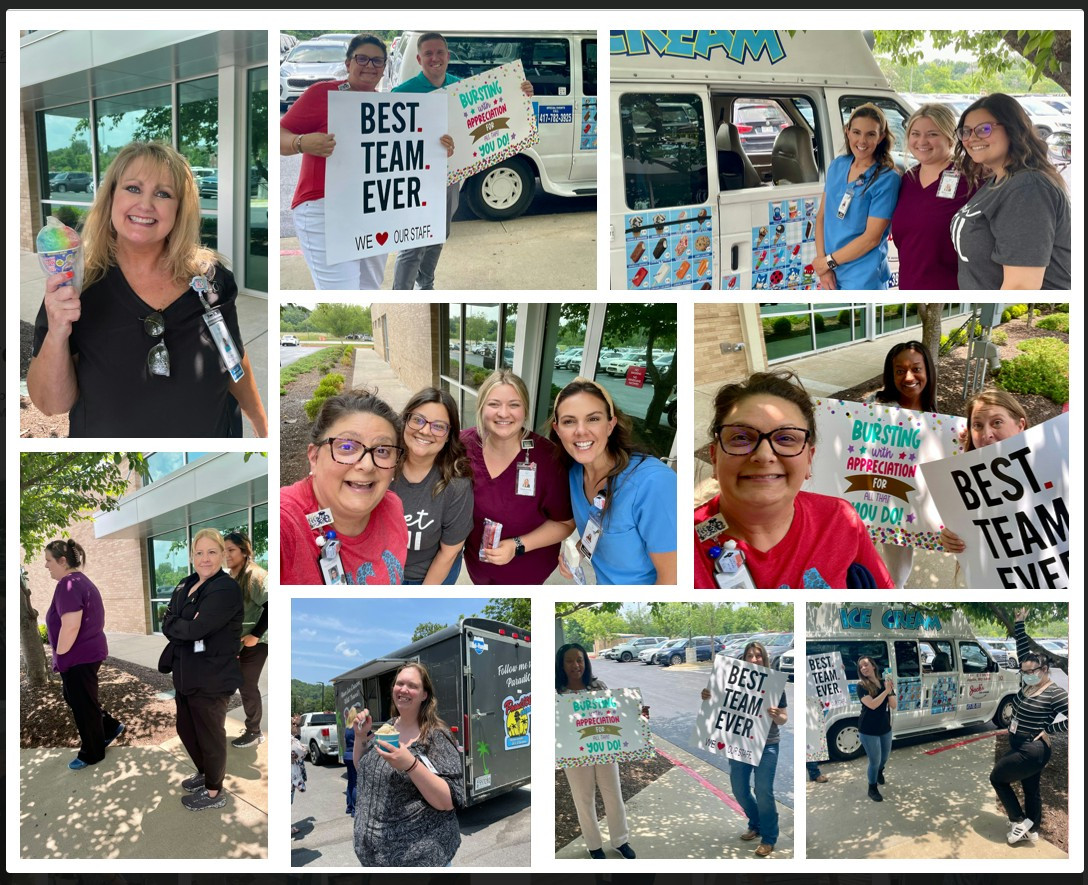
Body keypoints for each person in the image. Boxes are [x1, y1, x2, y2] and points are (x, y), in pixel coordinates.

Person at [28, 141, 267, 438]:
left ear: (179, 209)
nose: (145, 204)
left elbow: (233, 355)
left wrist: (261, 424)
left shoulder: (212, 279)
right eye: (132, 188)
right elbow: (51, 404)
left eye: (163, 193)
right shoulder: (76, 284)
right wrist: (58, 332)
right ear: (111, 196)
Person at [694, 370, 894, 589]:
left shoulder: (840, 519)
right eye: (741, 437)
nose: (763, 455)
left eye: (786, 438)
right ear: (714, 457)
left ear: (809, 459)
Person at [391, 32, 533, 290]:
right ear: (419, 58)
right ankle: (401, 292)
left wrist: (519, 92)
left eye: (440, 52)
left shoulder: (462, 87)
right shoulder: (402, 92)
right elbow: (390, 141)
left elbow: (495, 108)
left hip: (449, 177)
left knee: (438, 236)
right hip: (414, 179)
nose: (435, 58)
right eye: (428, 53)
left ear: (448, 55)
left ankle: (427, 285)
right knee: (413, 243)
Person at [280, 33, 389, 289]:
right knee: (341, 290)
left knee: (369, 288)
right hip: (323, 206)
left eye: (377, 61)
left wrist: (439, 146)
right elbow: (279, 134)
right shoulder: (322, 94)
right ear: (348, 63)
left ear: (385, 68)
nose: (369, 66)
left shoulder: (388, 105)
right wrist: (302, 142)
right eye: (362, 58)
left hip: (373, 207)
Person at [549, 377, 677, 584]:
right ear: (557, 430)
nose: (581, 431)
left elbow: (673, 580)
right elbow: (599, 524)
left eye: (593, 419)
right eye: (569, 421)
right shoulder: (573, 473)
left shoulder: (655, 484)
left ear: (610, 425)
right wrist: (580, 551)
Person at [281, 390, 409, 585]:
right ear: (314, 457)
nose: (367, 465)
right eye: (347, 447)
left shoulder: (392, 506)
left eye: (382, 450)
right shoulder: (284, 521)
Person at [462, 369, 574, 584]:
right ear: (481, 407)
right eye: (494, 404)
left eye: (514, 405)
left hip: (527, 570)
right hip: (477, 565)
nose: (504, 413)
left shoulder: (548, 458)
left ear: (525, 410)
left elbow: (566, 523)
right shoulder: (462, 446)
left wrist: (517, 545)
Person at [159, 529, 243, 811]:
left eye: (211, 552)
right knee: (186, 729)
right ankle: (205, 773)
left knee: (210, 735)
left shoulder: (225, 588)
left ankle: (214, 792)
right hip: (184, 672)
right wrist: (180, 623)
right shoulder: (186, 583)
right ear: (192, 555)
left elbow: (197, 628)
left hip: (211, 676)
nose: (204, 559)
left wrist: (180, 624)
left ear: (222, 554)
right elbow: (168, 621)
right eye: (199, 552)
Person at [951, 93, 1071, 289]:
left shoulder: (1028, 188)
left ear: (1013, 130)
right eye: (965, 131)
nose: (972, 138)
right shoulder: (998, 181)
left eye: (984, 129)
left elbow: (1021, 287)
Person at [350, 663, 464, 866]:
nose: (403, 689)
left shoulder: (435, 736)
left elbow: (449, 801)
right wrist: (360, 737)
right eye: (399, 683)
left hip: (419, 860)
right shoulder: (388, 727)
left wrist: (411, 765)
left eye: (412, 685)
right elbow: (363, 769)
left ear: (424, 695)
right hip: (375, 858)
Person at [990, 608, 1069, 844]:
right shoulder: (1029, 684)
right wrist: (1019, 624)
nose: (1026, 675)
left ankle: (1018, 820)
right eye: (1023, 672)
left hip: (1032, 749)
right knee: (1031, 788)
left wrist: (1050, 730)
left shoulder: (1055, 692)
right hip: (1019, 743)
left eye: (1031, 671)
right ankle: (1032, 827)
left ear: (1044, 670)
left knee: (997, 778)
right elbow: (1023, 651)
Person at [43, 539, 123, 770]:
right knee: (77, 698)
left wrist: (58, 655)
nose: (46, 566)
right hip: (86, 654)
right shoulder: (80, 581)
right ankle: (109, 726)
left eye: (48, 561)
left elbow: (70, 626)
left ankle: (92, 753)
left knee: (83, 706)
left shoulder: (68, 585)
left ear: (62, 561)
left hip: (78, 657)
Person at [702, 641, 787, 857]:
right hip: (739, 744)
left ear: (764, 658)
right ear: (744, 658)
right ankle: (756, 823)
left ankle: (769, 837)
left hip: (767, 745)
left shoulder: (773, 684)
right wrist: (708, 697)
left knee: (763, 791)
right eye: (750, 655)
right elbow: (718, 705)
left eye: (758, 655)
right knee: (739, 789)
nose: (755, 659)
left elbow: (784, 718)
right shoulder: (733, 683)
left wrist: (777, 714)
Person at [867, 341, 939, 587]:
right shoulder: (875, 405)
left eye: (916, 369)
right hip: (866, 496)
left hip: (902, 507)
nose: (909, 377)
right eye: (900, 371)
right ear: (891, 374)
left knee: (897, 575)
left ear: (928, 371)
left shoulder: (934, 417)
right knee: (855, 558)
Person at [556, 644, 637, 859]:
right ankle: (594, 846)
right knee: (583, 799)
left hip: (604, 748)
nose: (576, 665)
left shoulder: (598, 685)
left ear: (586, 662)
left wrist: (638, 713)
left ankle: (621, 841)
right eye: (570, 661)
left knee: (614, 795)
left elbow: (616, 713)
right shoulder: (556, 693)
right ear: (561, 665)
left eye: (580, 660)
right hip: (574, 753)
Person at [389, 388, 474, 584]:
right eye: (418, 420)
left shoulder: (456, 485)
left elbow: (448, 554)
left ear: (448, 435)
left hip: (427, 577)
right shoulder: (382, 467)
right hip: (380, 572)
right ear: (405, 421)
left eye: (438, 426)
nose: (425, 430)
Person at [812, 103, 901, 290]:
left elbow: (871, 238)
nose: (862, 140)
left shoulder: (887, 179)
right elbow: (821, 217)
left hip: (863, 277)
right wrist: (824, 265)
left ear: (881, 137)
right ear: (847, 132)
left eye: (871, 134)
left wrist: (828, 263)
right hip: (832, 271)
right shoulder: (837, 165)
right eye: (856, 132)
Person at [891, 103, 975, 289]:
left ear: (950, 138)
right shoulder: (907, 180)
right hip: (909, 285)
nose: (922, 141)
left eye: (932, 134)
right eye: (916, 134)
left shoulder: (970, 181)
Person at [939, 390, 1031, 558]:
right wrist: (951, 538)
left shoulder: (1054, 471)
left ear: (1020, 425)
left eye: (997, 422)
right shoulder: (965, 484)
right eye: (978, 425)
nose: (986, 434)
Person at [224, 531, 267, 748]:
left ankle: (254, 731)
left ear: (244, 551)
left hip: (257, 642)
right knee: (240, 683)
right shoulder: (234, 576)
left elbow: (273, 605)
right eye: (224, 551)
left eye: (231, 550)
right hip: (240, 641)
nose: (227, 555)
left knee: (247, 685)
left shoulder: (255, 575)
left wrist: (256, 635)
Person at [856, 655, 896, 802]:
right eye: (861, 667)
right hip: (868, 729)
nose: (864, 668)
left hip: (885, 726)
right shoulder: (861, 686)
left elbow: (893, 705)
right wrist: (885, 691)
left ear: (873, 666)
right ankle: (872, 788)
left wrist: (890, 690)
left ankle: (879, 772)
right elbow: (872, 705)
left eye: (866, 664)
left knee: (884, 758)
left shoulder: (883, 682)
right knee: (874, 760)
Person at [291, 715, 307, 835]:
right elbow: (300, 751)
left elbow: (298, 737)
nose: (295, 726)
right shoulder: (290, 740)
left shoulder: (293, 738)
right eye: (293, 724)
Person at [344, 717, 357, 816]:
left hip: (347, 755)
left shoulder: (347, 728)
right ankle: (355, 810)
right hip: (354, 756)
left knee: (350, 782)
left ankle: (349, 807)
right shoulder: (357, 727)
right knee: (356, 783)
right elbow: (370, 736)